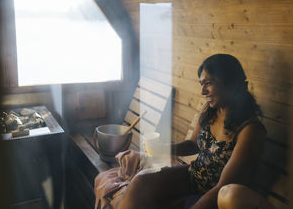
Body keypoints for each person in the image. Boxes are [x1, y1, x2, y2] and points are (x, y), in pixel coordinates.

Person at [118, 54, 276, 209]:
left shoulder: (250, 131)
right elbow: (192, 144)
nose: (202, 91)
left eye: (209, 83)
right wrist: (163, 148)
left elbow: (223, 186)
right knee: (141, 181)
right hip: (193, 177)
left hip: (219, 196)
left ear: (231, 84)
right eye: (201, 84)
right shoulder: (210, 110)